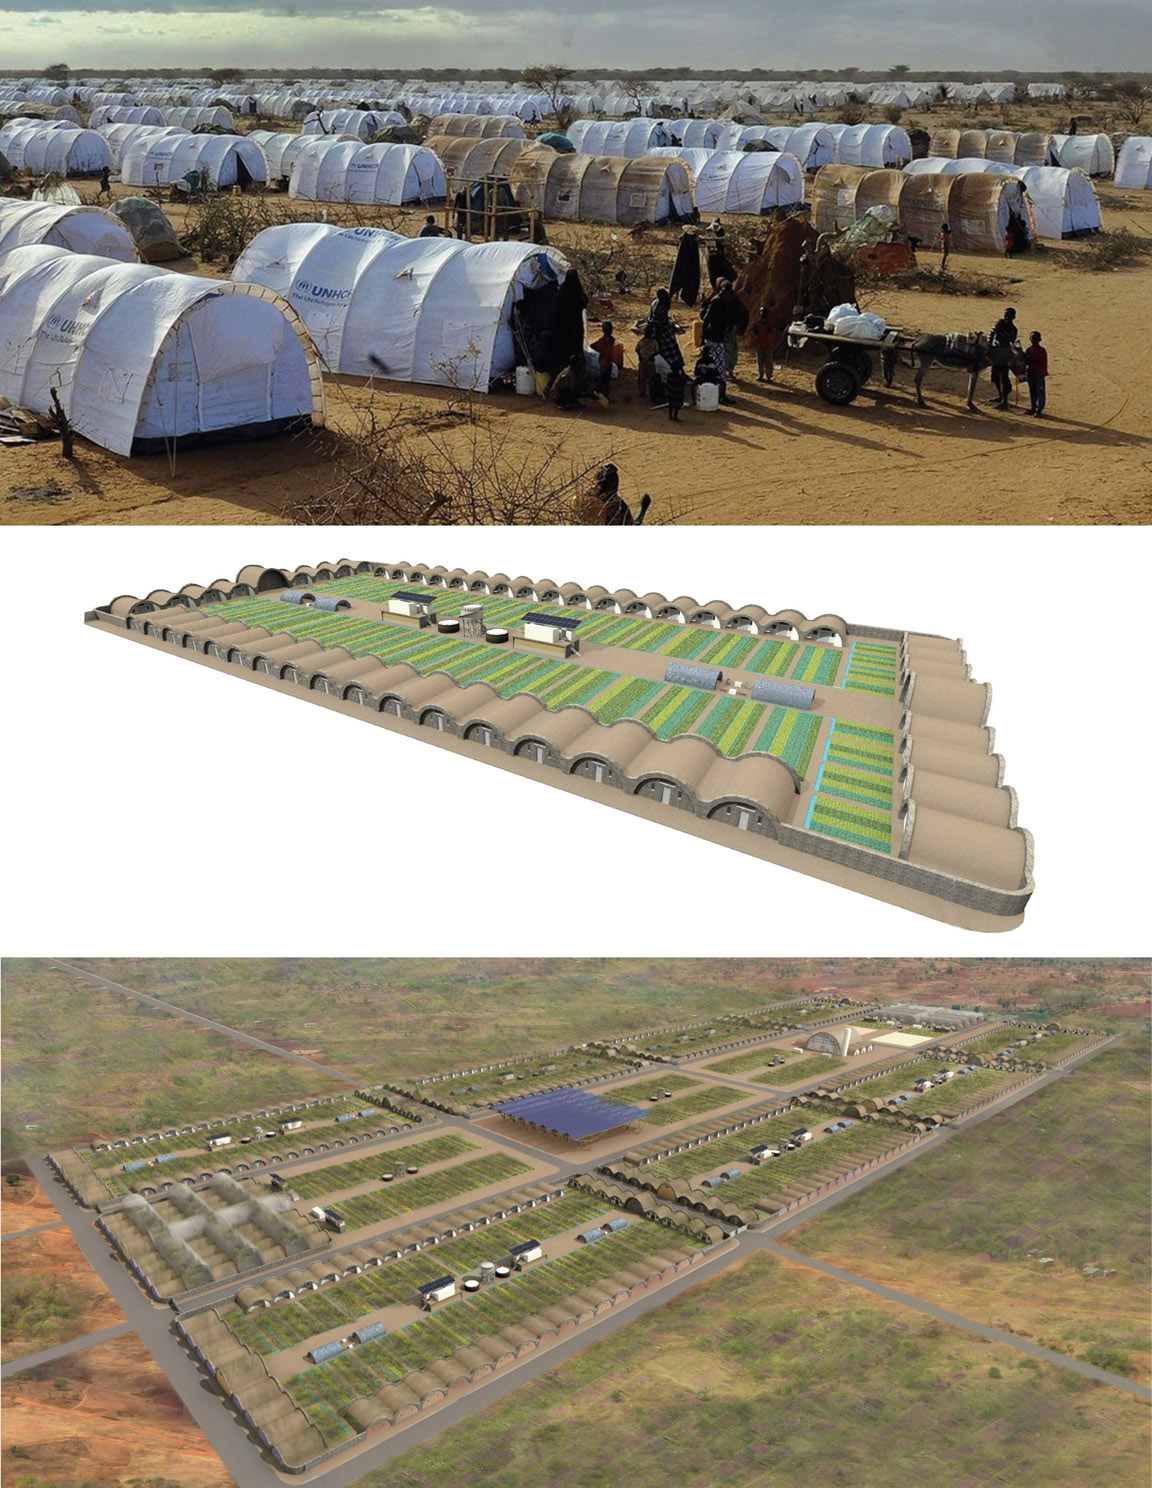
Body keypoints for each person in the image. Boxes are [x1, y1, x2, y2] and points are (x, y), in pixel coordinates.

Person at [701, 280, 735, 405]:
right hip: (714, 338)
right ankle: (721, 396)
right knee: (719, 368)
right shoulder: (717, 301)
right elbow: (706, 319)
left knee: (717, 367)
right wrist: (702, 338)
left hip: (716, 337)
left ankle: (717, 394)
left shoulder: (723, 300)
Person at [646, 288, 684, 375]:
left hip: (656, 328)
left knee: (660, 351)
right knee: (671, 349)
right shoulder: (662, 305)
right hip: (660, 329)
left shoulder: (655, 302)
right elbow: (660, 320)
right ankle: (677, 370)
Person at [987, 306, 1019, 408]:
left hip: (1004, 354)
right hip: (997, 353)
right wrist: (989, 345)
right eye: (1006, 315)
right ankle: (1001, 396)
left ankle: (1004, 401)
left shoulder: (1013, 329)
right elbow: (991, 334)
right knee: (995, 377)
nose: (1007, 317)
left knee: (1003, 377)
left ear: (1013, 317)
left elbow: (1011, 341)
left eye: (1009, 315)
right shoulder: (999, 324)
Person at [589, 321, 624, 399]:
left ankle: (605, 396)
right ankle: (602, 396)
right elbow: (592, 345)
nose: (610, 331)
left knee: (606, 381)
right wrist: (602, 350)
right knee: (603, 381)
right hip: (604, 363)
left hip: (608, 362)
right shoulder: (604, 340)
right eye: (609, 329)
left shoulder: (609, 339)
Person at [1022, 330, 1048, 416]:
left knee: (1040, 393)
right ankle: (1033, 408)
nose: (1033, 340)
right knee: (1033, 392)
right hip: (1032, 374)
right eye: (1032, 338)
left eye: (1035, 338)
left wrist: (1028, 360)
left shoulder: (1041, 350)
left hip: (1038, 374)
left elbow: (1041, 362)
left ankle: (1039, 410)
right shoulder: (1030, 350)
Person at [634, 328, 658, 401]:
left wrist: (652, 356)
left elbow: (657, 351)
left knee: (651, 378)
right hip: (643, 361)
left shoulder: (653, 342)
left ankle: (651, 392)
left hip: (650, 362)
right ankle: (642, 392)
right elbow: (637, 349)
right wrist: (640, 357)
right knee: (642, 378)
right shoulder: (642, 342)